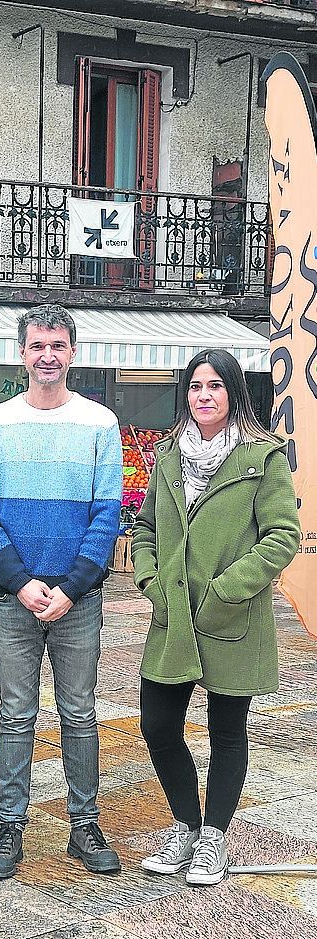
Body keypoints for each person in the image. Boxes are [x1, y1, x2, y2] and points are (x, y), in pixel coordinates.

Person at [132, 349, 300, 886]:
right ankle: (185, 824)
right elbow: (145, 529)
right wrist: (150, 581)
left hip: (232, 616)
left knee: (228, 732)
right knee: (158, 725)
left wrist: (229, 588)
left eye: (215, 386)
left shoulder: (261, 455)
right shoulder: (166, 456)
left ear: (233, 393)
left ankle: (214, 838)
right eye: (195, 386)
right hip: (174, 614)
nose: (204, 396)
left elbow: (283, 534)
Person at [0, 304, 123, 879]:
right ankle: (10, 827)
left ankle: (85, 824)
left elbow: (108, 513)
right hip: (13, 598)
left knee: (80, 714)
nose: (48, 356)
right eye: (38, 346)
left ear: (73, 353)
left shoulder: (101, 424)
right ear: (23, 353)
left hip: (77, 601)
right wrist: (22, 580)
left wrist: (73, 587)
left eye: (58, 345)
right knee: (14, 715)